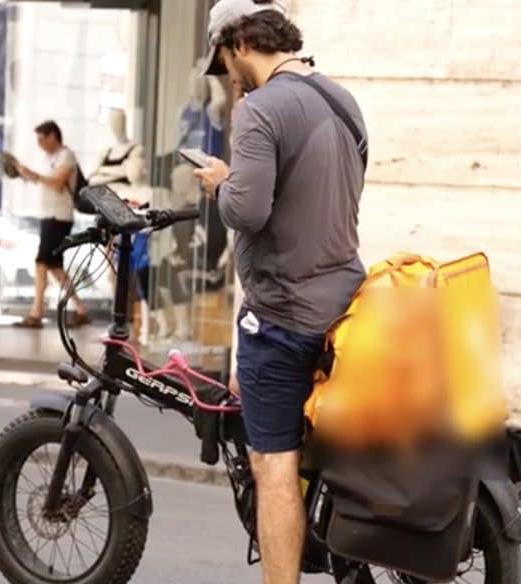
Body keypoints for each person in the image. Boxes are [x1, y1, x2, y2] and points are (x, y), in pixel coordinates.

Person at [193, 1, 368, 582]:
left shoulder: (261, 110)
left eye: (223, 61)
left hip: (283, 313)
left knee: (274, 465)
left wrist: (222, 182)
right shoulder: (342, 100)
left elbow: (248, 209)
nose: (227, 78)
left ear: (240, 43)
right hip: (346, 301)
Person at [11, 121, 91, 329]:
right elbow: (42, 180)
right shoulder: (48, 158)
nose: (39, 144)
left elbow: (56, 181)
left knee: (41, 262)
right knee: (55, 267)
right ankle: (81, 309)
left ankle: (36, 312)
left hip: (60, 216)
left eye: (41, 139)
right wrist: (22, 172)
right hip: (48, 215)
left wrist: (34, 175)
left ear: (53, 136)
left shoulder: (67, 156)